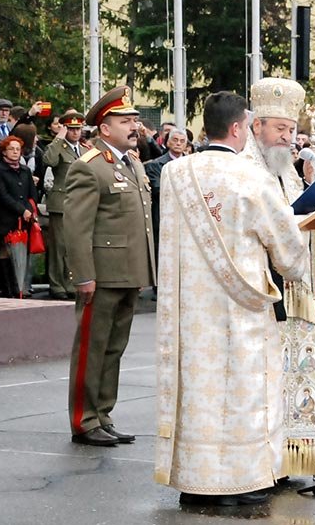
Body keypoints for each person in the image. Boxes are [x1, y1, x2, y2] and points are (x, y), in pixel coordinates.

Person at [154, 89, 309, 507]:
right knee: (245, 390)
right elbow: (287, 248)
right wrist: (297, 267)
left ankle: (195, 480)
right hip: (242, 304)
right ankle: (241, 482)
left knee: (200, 392)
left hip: (189, 304)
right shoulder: (251, 177)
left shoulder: (176, 174)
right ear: (239, 127)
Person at [64, 86, 155, 447]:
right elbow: (76, 227)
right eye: (125, 120)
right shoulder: (89, 168)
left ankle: (102, 412)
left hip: (127, 272)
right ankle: (83, 419)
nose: (135, 126)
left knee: (114, 348)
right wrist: (84, 275)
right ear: (104, 128)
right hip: (100, 275)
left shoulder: (131, 162)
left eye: (134, 119)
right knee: (91, 347)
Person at [246, 77, 315, 477]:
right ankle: (264, 463)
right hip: (264, 287)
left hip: (296, 287)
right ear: (255, 127)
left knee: (294, 380)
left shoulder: (288, 173)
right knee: (266, 381)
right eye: (279, 128)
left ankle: (288, 459)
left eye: (291, 129)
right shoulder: (244, 169)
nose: (287, 137)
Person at [42, 110, 90, 300]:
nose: (75, 133)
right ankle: (56, 285)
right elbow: (48, 160)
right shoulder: (59, 147)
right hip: (61, 202)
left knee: (75, 246)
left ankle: (71, 283)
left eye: (78, 129)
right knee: (59, 246)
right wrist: (58, 138)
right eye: (71, 129)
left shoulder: (85, 150)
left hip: (81, 203)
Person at [0, 135, 39, 298]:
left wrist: (31, 211)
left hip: (25, 218)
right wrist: (20, 210)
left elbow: (32, 194)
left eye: (18, 149)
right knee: (5, 251)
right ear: (3, 151)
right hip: (4, 217)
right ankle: (7, 288)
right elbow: (3, 195)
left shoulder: (25, 170)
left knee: (22, 253)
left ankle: (21, 287)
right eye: (11, 149)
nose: (15, 152)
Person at [143, 127, 187, 264]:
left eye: (182, 141)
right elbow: (159, 189)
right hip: (164, 217)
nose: (178, 143)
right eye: (175, 140)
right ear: (168, 143)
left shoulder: (192, 164)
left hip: (186, 218)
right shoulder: (155, 165)